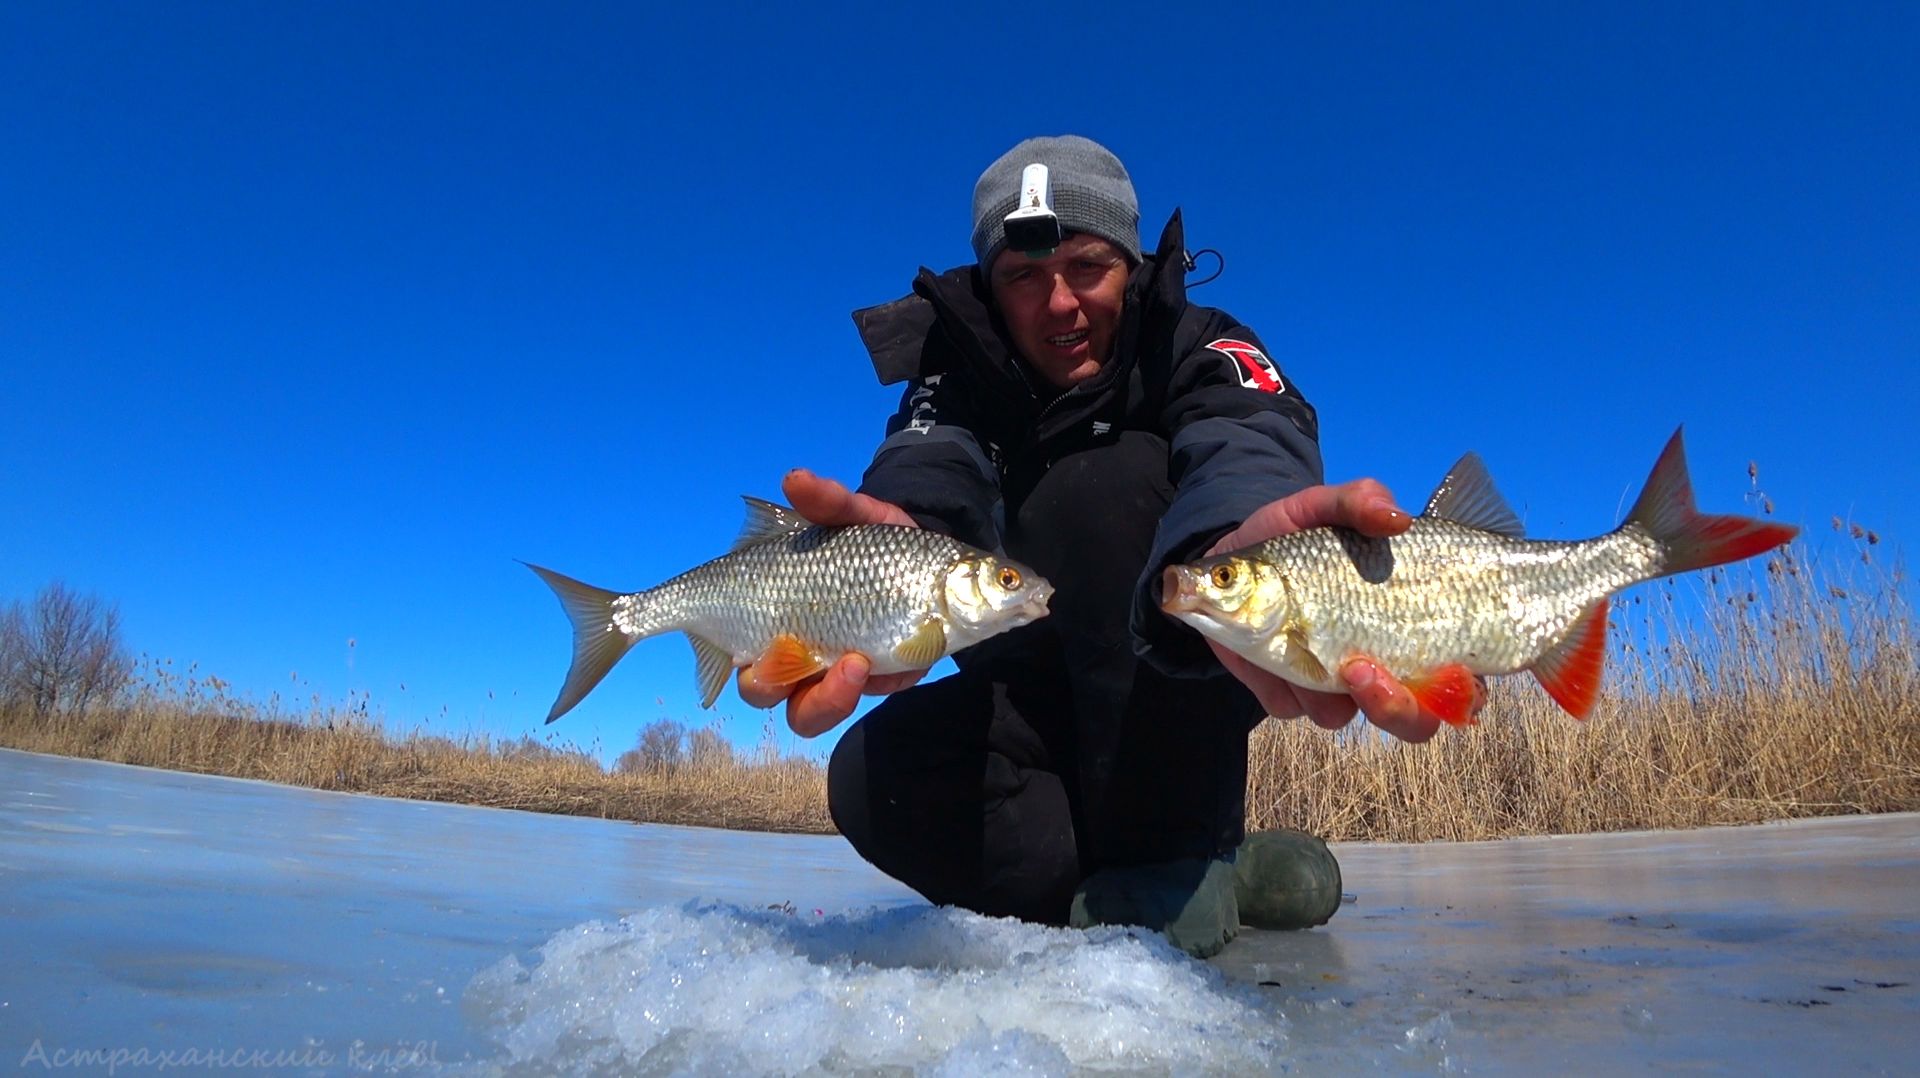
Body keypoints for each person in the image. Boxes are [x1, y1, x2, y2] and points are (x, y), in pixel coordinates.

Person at [740, 135, 1464, 957]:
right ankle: (1183, 881)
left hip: (1174, 692)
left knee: (1100, 485)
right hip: (1032, 707)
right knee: (873, 778)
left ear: (1131, 263)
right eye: (1022, 277)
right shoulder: (953, 372)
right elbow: (930, 459)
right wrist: (910, 557)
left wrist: (1228, 543)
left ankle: (1180, 854)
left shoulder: (1201, 341)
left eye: (1087, 267)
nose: (1058, 305)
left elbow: (1249, 437)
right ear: (990, 287)